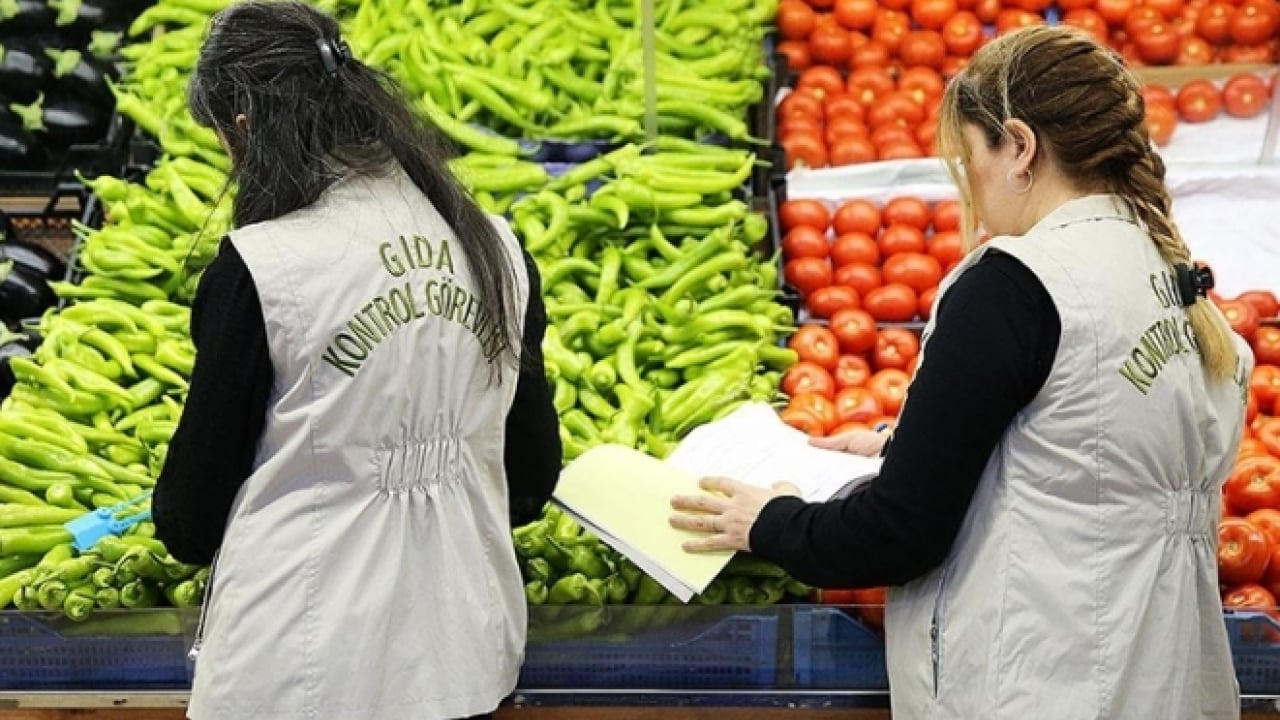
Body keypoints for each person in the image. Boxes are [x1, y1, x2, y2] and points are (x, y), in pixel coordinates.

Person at [671, 26, 1252, 720]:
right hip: (1165, 680)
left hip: (1045, 685)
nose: (968, 180)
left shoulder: (1017, 284)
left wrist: (770, 522)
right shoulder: (1168, 273)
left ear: (1020, 147)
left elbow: (900, 533)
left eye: (970, 155)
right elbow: (1089, 448)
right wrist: (906, 442)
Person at [150, 3, 561, 719]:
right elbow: (532, 476)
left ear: (245, 130)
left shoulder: (263, 268)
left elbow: (189, 518)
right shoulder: (495, 247)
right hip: (463, 646)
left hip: (298, 665)